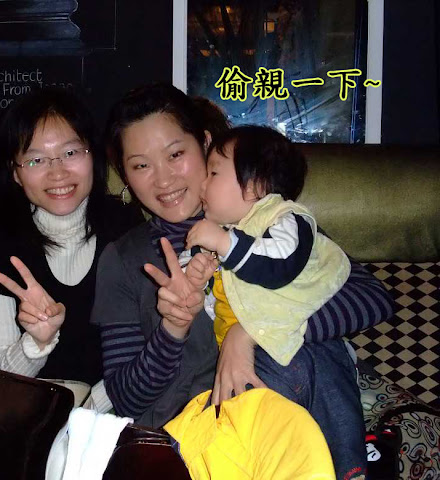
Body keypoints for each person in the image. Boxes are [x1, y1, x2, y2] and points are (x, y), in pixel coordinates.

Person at [91, 83, 394, 480]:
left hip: (280, 420)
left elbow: (372, 297)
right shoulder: (124, 259)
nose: (163, 179)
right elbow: (124, 398)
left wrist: (250, 332)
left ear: (205, 143)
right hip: (187, 445)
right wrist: (172, 330)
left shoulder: (268, 224)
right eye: (141, 165)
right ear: (125, 176)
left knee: (305, 355)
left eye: (176, 154)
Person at [0, 88, 143, 391]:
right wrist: (35, 343)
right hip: (30, 410)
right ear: (15, 173)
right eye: (36, 160)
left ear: (93, 155)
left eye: (70, 153)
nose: (57, 173)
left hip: (117, 409)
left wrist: (92, 406)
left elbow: (141, 355)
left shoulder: (125, 226)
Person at [183, 125, 350, 365]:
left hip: (303, 352)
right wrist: (195, 278)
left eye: (214, 173)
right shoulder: (219, 232)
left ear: (255, 186)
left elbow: (279, 265)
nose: (202, 184)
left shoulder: (284, 218)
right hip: (239, 356)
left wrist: (224, 243)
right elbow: (192, 285)